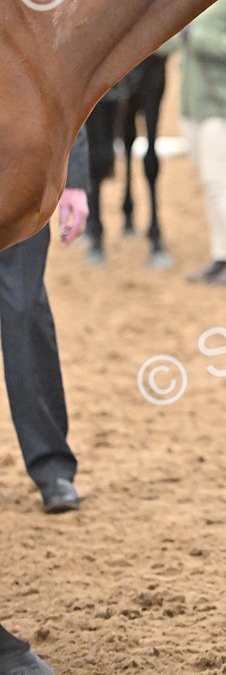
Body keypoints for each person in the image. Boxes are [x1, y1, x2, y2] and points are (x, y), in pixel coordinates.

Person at [0, 128, 89, 516]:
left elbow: (65, 83)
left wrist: (74, 181)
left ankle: (53, 468)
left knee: (24, 308)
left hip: (17, 175)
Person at [160, 0, 226, 287]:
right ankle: (222, 257)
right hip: (195, 109)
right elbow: (167, 45)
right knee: (211, 185)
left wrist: (196, 38)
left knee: (221, 182)